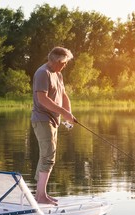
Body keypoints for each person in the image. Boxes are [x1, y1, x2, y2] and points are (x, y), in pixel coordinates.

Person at [31, 46, 76, 205]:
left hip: (53, 121)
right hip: (42, 119)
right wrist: (64, 112)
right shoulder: (42, 73)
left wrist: (68, 115)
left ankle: (40, 195)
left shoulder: (58, 74)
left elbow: (63, 95)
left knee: (47, 156)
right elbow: (42, 100)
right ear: (56, 61)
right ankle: (41, 196)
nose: (65, 66)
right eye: (64, 63)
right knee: (49, 156)